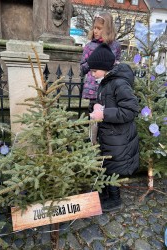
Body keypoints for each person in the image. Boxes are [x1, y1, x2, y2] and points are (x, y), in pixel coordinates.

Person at [87, 43, 139, 212]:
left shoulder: (119, 84)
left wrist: (104, 114)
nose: (92, 74)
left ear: (104, 68)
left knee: (113, 169)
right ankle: (106, 194)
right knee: (107, 166)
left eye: (94, 70)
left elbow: (130, 110)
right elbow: (106, 104)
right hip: (109, 135)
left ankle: (115, 199)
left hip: (119, 137)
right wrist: (95, 108)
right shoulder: (105, 83)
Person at [80, 12, 121, 113]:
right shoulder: (89, 46)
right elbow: (82, 68)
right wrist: (92, 62)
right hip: (93, 90)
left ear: (107, 29)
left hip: (109, 89)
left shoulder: (115, 46)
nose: (96, 31)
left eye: (99, 28)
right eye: (94, 28)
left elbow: (118, 66)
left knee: (107, 118)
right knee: (94, 118)